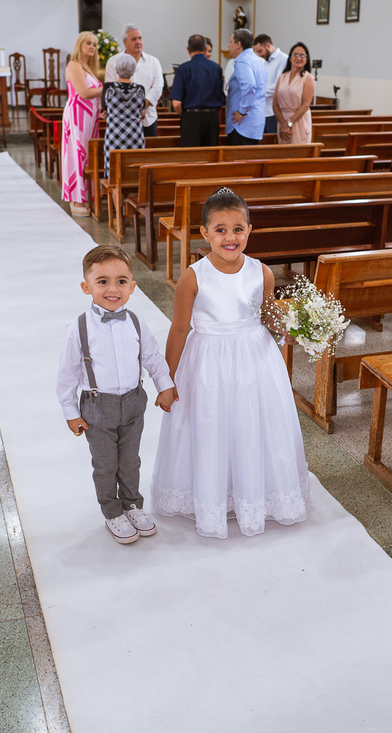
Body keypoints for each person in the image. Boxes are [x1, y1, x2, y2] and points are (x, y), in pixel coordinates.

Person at [151, 189, 309, 539]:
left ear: (249, 230)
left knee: (253, 424)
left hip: (255, 361)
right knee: (212, 425)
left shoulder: (261, 272)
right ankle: (213, 494)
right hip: (208, 364)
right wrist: (166, 381)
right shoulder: (193, 277)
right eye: (220, 230)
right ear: (204, 233)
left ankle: (253, 493)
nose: (230, 237)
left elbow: (267, 315)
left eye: (238, 229)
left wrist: (289, 331)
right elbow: (179, 329)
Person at [58, 245, 176, 545]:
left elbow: (151, 356)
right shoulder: (78, 328)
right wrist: (71, 412)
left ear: (132, 287)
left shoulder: (136, 321)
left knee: (130, 461)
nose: (113, 289)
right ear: (86, 287)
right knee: (105, 465)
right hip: (98, 408)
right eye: (102, 281)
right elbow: (67, 375)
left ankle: (133, 505)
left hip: (134, 402)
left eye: (121, 281)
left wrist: (165, 386)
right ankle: (112, 511)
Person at [62, 31, 104, 217]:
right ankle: (76, 199)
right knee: (77, 153)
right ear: (79, 45)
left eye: (94, 44)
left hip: (90, 117)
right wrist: (107, 88)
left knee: (88, 155)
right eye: (88, 43)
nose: (92, 47)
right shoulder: (74, 65)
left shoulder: (88, 68)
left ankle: (86, 195)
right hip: (77, 116)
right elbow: (84, 93)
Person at [104, 25, 164, 137]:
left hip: (147, 119)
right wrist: (131, 108)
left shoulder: (153, 62)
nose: (138, 42)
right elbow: (110, 88)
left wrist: (141, 105)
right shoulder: (113, 61)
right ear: (124, 42)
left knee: (148, 148)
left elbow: (157, 87)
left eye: (140, 38)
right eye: (134, 39)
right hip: (120, 120)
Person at [169, 34, 225, 147]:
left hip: (191, 119)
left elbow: (176, 103)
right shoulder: (217, 68)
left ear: (188, 49)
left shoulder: (183, 69)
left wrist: (185, 114)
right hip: (212, 119)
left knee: (191, 155)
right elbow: (221, 96)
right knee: (211, 155)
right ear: (205, 49)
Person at [101, 53, 145, 179]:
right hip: (135, 135)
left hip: (114, 134)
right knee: (134, 169)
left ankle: (113, 189)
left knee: (114, 170)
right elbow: (141, 111)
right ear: (133, 71)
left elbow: (105, 109)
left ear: (116, 70)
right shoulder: (140, 89)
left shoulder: (108, 88)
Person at [224, 29, 267, 145]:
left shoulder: (243, 61)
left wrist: (242, 111)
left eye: (231, 41)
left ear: (238, 44)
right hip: (255, 122)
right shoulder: (258, 61)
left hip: (242, 124)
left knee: (239, 156)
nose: (228, 45)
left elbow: (249, 85)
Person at [273, 42, 316, 145]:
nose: (298, 58)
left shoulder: (308, 78)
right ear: (290, 57)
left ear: (307, 59)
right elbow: (275, 105)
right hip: (282, 122)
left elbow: (305, 105)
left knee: (298, 152)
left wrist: (289, 123)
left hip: (299, 121)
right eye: (295, 54)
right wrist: (283, 124)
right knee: (283, 153)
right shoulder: (282, 77)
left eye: (302, 55)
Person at [253, 34, 288, 136]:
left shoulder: (283, 59)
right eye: (257, 52)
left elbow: (278, 85)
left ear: (268, 45)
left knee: (272, 141)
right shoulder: (264, 63)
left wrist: (257, 94)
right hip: (262, 111)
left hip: (274, 112)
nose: (259, 55)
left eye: (260, 51)